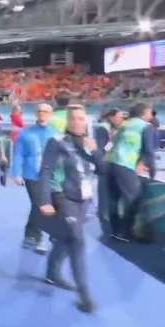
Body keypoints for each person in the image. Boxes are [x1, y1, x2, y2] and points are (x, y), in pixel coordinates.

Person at [37, 104, 106, 314]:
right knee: (77, 240)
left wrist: (95, 151)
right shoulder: (56, 143)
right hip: (63, 197)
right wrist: (44, 200)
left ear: (87, 121)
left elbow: (103, 170)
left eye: (82, 118)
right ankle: (85, 296)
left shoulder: (90, 143)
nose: (78, 122)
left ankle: (51, 273)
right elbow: (46, 171)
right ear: (68, 121)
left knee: (67, 239)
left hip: (84, 200)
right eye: (74, 118)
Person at [106, 102, 157, 242]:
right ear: (144, 112)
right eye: (150, 112)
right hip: (124, 164)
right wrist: (153, 173)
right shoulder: (146, 126)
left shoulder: (124, 124)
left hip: (110, 163)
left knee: (114, 200)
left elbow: (112, 143)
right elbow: (149, 151)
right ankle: (128, 232)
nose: (151, 115)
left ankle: (116, 231)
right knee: (135, 199)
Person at [11, 103, 58, 253]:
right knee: (39, 204)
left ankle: (32, 235)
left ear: (51, 114)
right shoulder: (26, 133)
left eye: (46, 111)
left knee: (47, 205)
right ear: (36, 114)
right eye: (39, 111)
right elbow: (18, 154)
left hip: (52, 175)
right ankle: (35, 238)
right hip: (32, 175)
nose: (42, 114)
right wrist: (17, 173)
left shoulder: (57, 134)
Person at [93, 108, 124, 235]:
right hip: (105, 167)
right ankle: (105, 222)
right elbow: (102, 148)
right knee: (105, 195)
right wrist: (113, 141)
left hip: (113, 166)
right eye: (119, 116)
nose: (122, 119)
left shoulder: (112, 129)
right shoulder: (102, 129)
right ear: (111, 117)